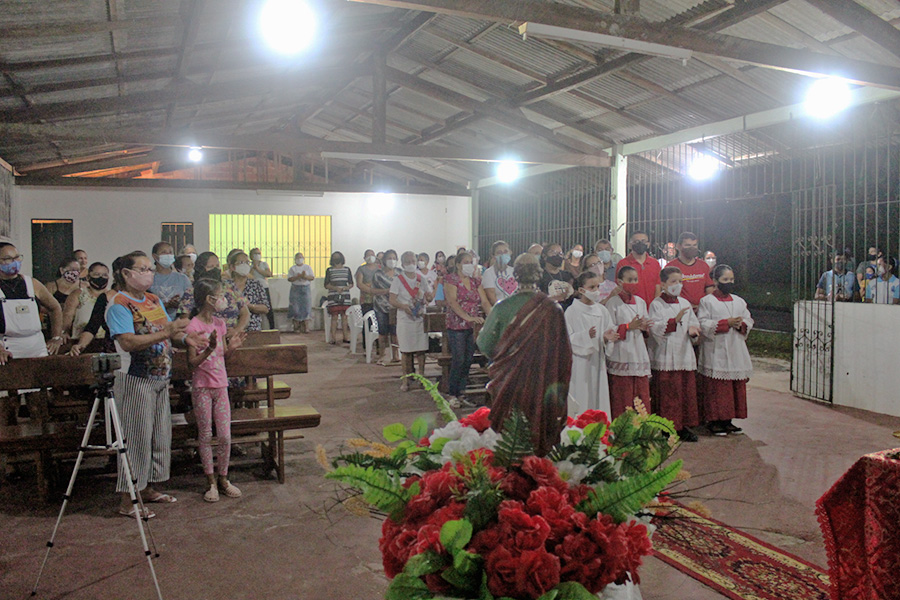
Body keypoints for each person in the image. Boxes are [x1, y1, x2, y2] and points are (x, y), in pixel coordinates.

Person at [107, 251, 203, 518]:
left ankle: (146, 487)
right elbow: (127, 342)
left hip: (161, 377)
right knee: (136, 439)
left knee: (157, 436)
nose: (149, 273)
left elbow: (170, 332)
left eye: (150, 269)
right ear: (126, 274)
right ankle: (128, 499)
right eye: (143, 269)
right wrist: (168, 332)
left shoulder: (152, 299)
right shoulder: (119, 305)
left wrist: (187, 340)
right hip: (135, 379)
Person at [477, 253, 571, 457]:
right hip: (542, 381)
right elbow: (564, 353)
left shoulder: (502, 307)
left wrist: (508, 355)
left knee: (509, 430)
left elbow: (485, 344)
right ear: (538, 274)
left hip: (509, 380)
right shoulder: (553, 309)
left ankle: (509, 465)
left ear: (515, 275)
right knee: (539, 422)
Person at [186, 279, 247, 503]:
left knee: (224, 435)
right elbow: (193, 362)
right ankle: (210, 481)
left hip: (221, 385)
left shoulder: (220, 324)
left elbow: (222, 356)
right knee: (205, 434)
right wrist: (209, 348)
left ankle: (224, 477)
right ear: (207, 299)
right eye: (219, 295)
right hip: (202, 386)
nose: (223, 299)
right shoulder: (193, 326)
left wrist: (230, 349)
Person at [0, 243, 64, 425]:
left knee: (39, 405)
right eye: (7, 259)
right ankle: (10, 451)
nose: (13, 263)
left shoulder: (32, 283)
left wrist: (56, 337)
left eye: (16, 258)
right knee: (8, 407)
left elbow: (55, 308)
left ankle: (43, 449)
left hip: (34, 347)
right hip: (7, 348)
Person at [697, 264, 754, 436]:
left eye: (731, 279)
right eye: (725, 279)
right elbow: (703, 323)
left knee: (733, 387)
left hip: (735, 346)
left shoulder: (739, 301)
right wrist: (724, 324)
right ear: (715, 281)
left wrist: (741, 324)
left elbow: (749, 319)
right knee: (718, 388)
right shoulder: (707, 301)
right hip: (717, 349)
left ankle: (728, 420)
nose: (729, 282)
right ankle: (715, 421)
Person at [649, 267, 702, 442]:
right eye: (673, 281)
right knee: (668, 393)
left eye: (680, 281)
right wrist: (673, 322)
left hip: (683, 353)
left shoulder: (685, 303)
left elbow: (693, 323)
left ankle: (683, 426)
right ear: (663, 284)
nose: (677, 285)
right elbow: (655, 328)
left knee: (684, 392)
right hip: (665, 355)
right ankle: (666, 427)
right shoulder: (656, 304)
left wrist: (694, 330)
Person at [565, 271, 618, 418]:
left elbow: (609, 330)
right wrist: (585, 336)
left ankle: (599, 431)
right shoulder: (572, 311)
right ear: (581, 290)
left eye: (597, 286)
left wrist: (606, 338)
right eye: (592, 287)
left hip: (597, 361)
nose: (596, 291)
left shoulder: (601, 310)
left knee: (598, 394)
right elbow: (567, 339)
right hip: (580, 364)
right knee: (582, 394)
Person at [443, 250, 491, 407]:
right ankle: (452, 393)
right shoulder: (451, 280)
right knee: (459, 359)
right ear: (458, 265)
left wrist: (493, 315)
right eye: (466, 262)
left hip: (472, 326)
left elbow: (484, 301)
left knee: (468, 359)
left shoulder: (475, 281)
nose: (470, 265)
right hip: (456, 325)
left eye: (472, 262)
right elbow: (452, 301)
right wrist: (467, 317)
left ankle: (462, 392)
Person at [605, 265, 652, 418]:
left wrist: (645, 327)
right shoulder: (613, 303)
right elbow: (609, 329)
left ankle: (643, 429)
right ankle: (622, 429)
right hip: (621, 352)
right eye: (630, 280)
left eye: (636, 279)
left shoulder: (641, 302)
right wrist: (627, 326)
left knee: (641, 393)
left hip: (638, 351)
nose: (634, 282)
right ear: (620, 281)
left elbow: (645, 325)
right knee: (623, 394)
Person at [390, 251, 434, 391]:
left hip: (420, 318)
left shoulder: (421, 279)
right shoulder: (398, 280)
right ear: (402, 264)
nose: (411, 264)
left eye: (413, 261)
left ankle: (421, 377)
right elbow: (392, 299)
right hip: (405, 319)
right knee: (406, 351)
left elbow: (429, 297)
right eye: (407, 261)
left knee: (421, 350)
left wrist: (433, 290)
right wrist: (404, 307)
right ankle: (406, 380)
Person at [179, 252, 251, 336]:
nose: (215, 269)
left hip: (231, 336)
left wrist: (236, 330)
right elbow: (184, 319)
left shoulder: (229, 286)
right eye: (210, 267)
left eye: (217, 266)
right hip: (204, 337)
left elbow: (245, 313)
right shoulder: (193, 290)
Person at [667, 232, 715, 309]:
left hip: (702, 309)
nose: (692, 248)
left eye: (694, 245)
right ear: (678, 246)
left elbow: (709, 287)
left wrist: (706, 305)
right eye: (688, 245)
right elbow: (669, 291)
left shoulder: (703, 265)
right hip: (680, 310)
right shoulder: (671, 266)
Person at [62, 261, 110, 340]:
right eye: (96, 274)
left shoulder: (111, 296)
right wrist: (64, 332)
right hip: (80, 341)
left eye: (104, 275)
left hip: (107, 342)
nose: (101, 278)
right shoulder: (78, 294)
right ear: (88, 277)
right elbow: (68, 316)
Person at [615, 231, 661, 307]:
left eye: (643, 241)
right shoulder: (623, 263)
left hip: (652, 308)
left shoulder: (655, 263)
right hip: (631, 307)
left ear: (648, 244)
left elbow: (658, 286)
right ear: (629, 245)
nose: (640, 243)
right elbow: (620, 287)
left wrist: (656, 306)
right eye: (636, 241)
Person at [149, 241, 192, 320]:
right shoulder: (149, 278)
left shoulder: (182, 278)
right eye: (164, 252)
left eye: (170, 252)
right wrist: (166, 305)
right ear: (155, 256)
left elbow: (189, 302)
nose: (168, 255)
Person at [229, 251, 269, 331]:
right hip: (230, 329)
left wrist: (250, 306)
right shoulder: (226, 286)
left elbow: (265, 308)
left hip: (252, 329)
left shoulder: (256, 285)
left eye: (247, 262)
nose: (245, 265)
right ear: (232, 267)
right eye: (241, 262)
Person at [324, 251, 353, 344]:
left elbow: (351, 283)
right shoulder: (329, 270)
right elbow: (326, 284)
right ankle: (333, 338)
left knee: (345, 317)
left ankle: (345, 337)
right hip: (333, 297)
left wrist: (345, 288)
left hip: (345, 296)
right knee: (334, 317)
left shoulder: (347, 269)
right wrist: (335, 288)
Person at [355, 249, 380, 348]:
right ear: (364, 258)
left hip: (378, 300)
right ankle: (366, 346)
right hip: (366, 300)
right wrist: (371, 290)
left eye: (372, 255)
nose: (371, 257)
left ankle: (379, 345)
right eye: (368, 255)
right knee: (367, 322)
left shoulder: (380, 268)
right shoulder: (361, 269)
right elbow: (359, 284)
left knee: (378, 324)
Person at [482, 240, 517, 308]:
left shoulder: (514, 271)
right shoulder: (489, 273)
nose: (503, 254)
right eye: (499, 252)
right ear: (493, 255)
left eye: (505, 251)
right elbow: (492, 298)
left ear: (510, 252)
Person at [249, 248, 276, 329]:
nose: (257, 255)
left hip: (264, 287)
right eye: (255, 254)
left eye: (258, 253)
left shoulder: (264, 264)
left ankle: (272, 328)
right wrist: (253, 267)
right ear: (251, 256)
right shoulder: (248, 266)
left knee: (268, 308)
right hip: (253, 288)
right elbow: (248, 276)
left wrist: (258, 268)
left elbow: (268, 274)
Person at [287, 252, 315, 332]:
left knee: (306, 306)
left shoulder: (307, 267)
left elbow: (312, 277)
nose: (299, 259)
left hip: (305, 288)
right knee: (295, 307)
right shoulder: (293, 268)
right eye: (297, 258)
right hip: (295, 288)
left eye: (301, 257)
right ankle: (296, 326)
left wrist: (305, 276)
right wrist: (297, 277)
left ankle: (306, 327)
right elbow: (289, 279)